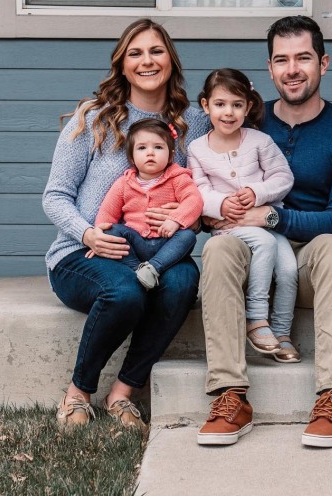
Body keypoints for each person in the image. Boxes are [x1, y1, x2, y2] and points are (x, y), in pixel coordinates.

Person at [196, 16, 332, 448]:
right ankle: (229, 394)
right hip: (247, 252)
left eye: (303, 58)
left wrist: (271, 217)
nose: (292, 69)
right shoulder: (238, 121)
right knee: (218, 252)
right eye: (282, 60)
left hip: (308, 260)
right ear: (270, 69)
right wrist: (217, 214)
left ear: (323, 63)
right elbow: (201, 193)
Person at [42, 18, 210, 430]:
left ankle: (123, 393)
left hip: (156, 252)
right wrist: (89, 234)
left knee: (184, 281)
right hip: (83, 253)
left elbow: (207, 195)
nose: (147, 61)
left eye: (156, 51)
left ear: (171, 59)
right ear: (121, 63)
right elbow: (55, 196)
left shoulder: (197, 123)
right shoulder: (93, 119)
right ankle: (78, 393)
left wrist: (183, 217)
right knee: (126, 291)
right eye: (135, 53)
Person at [188, 68, 297, 360]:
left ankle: (281, 332)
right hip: (229, 225)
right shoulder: (197, 149)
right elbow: (197, 190)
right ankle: (256, 318)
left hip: (268, 224)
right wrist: (221, 204)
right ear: (205, 105)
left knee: (288, 270)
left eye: (237, 105)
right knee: (264, 244)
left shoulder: (259, 141)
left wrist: (257, 192)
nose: (228, 112)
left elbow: (282, 177)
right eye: (220, 104)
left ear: (247, 107)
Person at [91, 118, 204, 290]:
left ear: (171, 155)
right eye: (142, 148)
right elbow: (107, 214)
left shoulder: (178, 178)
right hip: (135, 243)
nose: (150, 153)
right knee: (112, 230)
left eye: (158, 147)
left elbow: (194, 200)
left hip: (166, 241)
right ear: (132, 157)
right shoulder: (124, 183)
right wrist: (100, 239)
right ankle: (137, 269)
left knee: (187, 235)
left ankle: (154, 268)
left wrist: (175, 220)